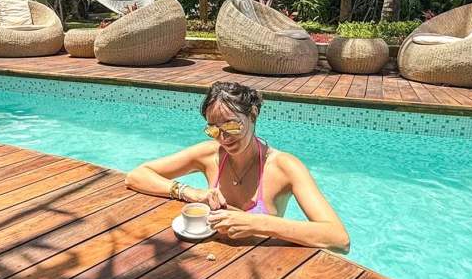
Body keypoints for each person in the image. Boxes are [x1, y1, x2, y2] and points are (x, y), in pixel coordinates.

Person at [126, 82, 350, 252]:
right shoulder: (209, 155)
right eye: (213, 129)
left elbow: (339, 238)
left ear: (252, 115)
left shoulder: (285, 167)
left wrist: (255, 223)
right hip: (213, 259)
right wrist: (189, 192)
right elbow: (136, 176)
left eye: (231, 125)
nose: (223, 137)